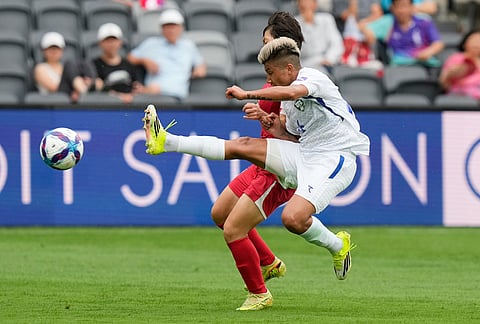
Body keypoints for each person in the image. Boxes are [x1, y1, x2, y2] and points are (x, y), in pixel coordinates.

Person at [142, 37, 370, 310]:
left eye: (271, 73)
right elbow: (292, 136)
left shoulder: (314, 77)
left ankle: (336, 244)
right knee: (245, 146)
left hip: (335, 159)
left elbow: (292, 93)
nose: (269, 80)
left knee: (293, 218)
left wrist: (247, 94)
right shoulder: (286, 102)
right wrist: (273, 126)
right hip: (306, 154)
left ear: (289, 67)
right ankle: (166, 141)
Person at [209, 11, 304, 311]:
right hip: (262, 159)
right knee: (219, 213)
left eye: (267, 40)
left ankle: (259, 293)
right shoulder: (275, 75)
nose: (262, 46)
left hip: (278, 168)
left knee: (232, 229)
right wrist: (264, 116)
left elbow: (297, 135)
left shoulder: (297, 83)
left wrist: (265, 115)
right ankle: (268, 262)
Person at [127, 8, 207, 100]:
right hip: (154, 94)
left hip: (178, 95)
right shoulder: (151, 43)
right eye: (167, 27)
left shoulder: (188, 46)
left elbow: (200, 64)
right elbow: (130, 58)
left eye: (174, 27)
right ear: (162, 29)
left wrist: (200, 69)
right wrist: (144, 61)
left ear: (181, 28)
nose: (171, 30)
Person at [359, 0, 444, 67]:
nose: (401, 10)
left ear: (412, 7)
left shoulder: (424, 21)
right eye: (398, 6)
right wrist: (371, 23)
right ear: (392, 8)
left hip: (424, 65)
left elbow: (438, 43)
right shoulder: (388, 22)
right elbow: (363, 27)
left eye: (404, 6)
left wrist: (427, 52)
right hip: (399, 67)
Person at [33, 32, 96, 102]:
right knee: (70, 65)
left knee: (83, 64)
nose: (54, 51)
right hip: (52, 101)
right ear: (44, 51)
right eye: (50, 48)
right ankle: (85, 92)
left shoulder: (66, 67)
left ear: (61, 50)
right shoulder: (40, 68)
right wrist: (74, 91)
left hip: (68, 100)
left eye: (57, 48)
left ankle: (87, 89)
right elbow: (54, 88)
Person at [92, 23, 144, 103]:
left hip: (130, 106)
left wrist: (135, 93)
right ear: (100, 43)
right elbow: (97, 88)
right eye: (107, 41)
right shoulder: (94, 65)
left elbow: (137, 86)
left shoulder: (129, 65)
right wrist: (119, 97)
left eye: (114, 40)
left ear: (120, 42)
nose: (111, 44)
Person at [295, 0, 345, 74]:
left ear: (315, 4)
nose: (306, 4)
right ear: (298, 5)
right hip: (306, 66)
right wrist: (307, 23)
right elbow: (301, 51)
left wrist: (329, 59)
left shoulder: (327, 19)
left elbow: (337, 44)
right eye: (303, 1)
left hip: (328, 64)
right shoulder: (294, 22)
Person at [439, 29, 480, 100]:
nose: (476, 44)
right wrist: (449, 75)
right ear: (465, 43)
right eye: (473, 40)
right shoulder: (455, 58)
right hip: (458, 96)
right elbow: (443, 83)